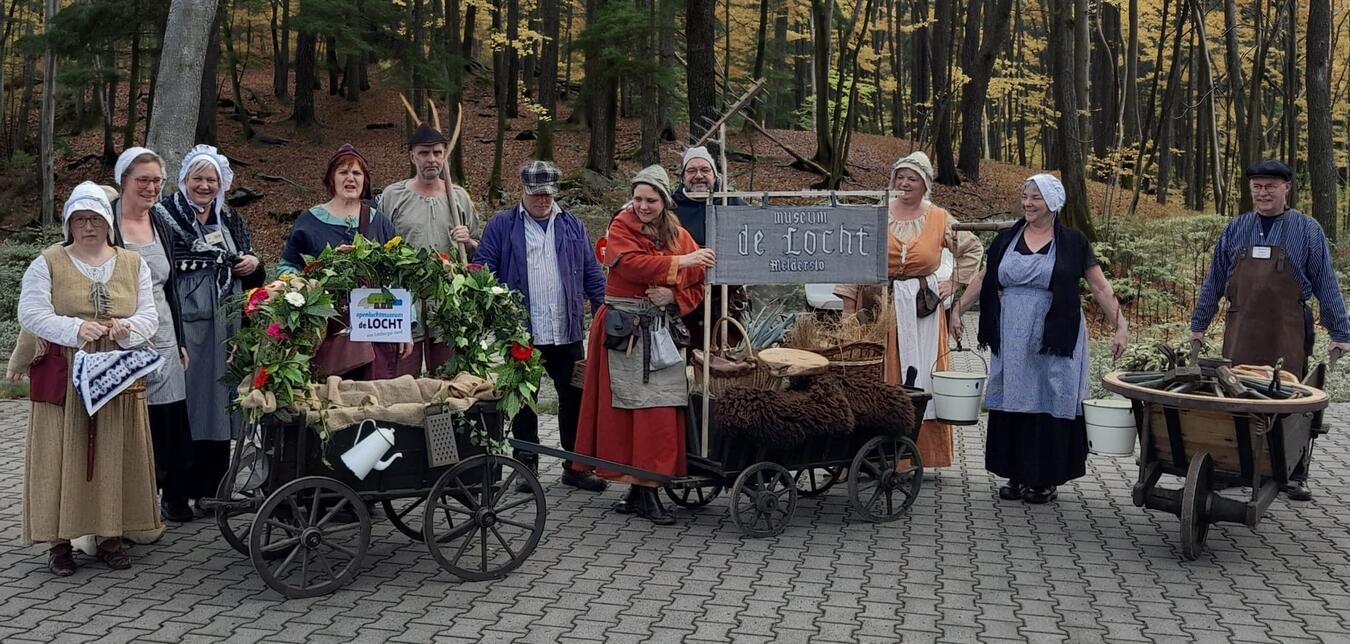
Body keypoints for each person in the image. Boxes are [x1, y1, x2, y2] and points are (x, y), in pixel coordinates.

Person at [951, 174, 1128, 504]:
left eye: (1036, 198)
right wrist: (957, 310)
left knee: (1049, 397)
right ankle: (1016, 474)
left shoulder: (1073, 242)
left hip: (1054, 332)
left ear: (1053, 203)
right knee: (1015, 398)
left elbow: (1100, 286)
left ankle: (1044, 478)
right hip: (1012, 334)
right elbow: (983, 278)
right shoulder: (1007, 239)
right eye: (1025, 196)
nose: (1028, 203)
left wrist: (1120, 324)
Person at [18, 182, 161, 574]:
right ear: (69, 224)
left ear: (107, 223)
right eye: (79, 219)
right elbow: (31, 312)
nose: (88, 227)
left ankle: (110, 536)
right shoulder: (49, 262)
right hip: (65, 370)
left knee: (113, 452)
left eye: (95, 219)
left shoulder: (132, 263)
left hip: (115, 372)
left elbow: (149, 315)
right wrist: (76, 329)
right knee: (60, 453)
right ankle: (59, 543)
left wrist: (127, 328)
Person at [1190, 159, 1350, 501]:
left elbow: (1326, 282)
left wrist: (1340, 332)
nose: (1263, 193)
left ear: (1286, 188)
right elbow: (1214, 280)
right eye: (1257, 187)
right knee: (1237, 395)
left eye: (1270, 187)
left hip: (1287, 331)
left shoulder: (1307, 230)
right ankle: (1237, 465)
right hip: (1241, 330)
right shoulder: (1236, 228)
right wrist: (1198, 325)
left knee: (1289, 400)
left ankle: (1293, 471)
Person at [573, 165, 715, 525]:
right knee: (628, 411)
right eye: (637, 198)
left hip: (660, 333)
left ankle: (644, 489)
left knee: (658, 411)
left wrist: (673, 296)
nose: (642, 206)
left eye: (650, 200)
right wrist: (681, 263)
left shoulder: (677, 233)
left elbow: (699, 278)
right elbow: (633, 265)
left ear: (664, 201)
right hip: (626, 333)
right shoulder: (622, 225)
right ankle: (642, 490)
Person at [835, 151, 976, 469]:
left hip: (921, 310)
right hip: (878, 307)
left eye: (912, 178)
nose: (905, 183)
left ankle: (915, 452)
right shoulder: (877, 214)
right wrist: (848, 309)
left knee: (919, 375)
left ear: (925, 184)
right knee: (876, 374)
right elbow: (853, 258)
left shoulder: (939, 218)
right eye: (900, 177)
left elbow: (971, 248)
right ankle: (869, 453)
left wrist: (953, 282)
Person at [474, 160, 608, 492]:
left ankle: (575, 466)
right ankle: (525, 466)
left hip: (566, 329)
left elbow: (591, 272)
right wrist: (491, 305)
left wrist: (606, 309)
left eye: (548, 193)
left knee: (574, 396)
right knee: (523, 400)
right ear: (523, 190)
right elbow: (484, 269)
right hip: (521, 332)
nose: (542, 200)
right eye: (536, 194)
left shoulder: (573, 225)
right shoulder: (502, 225)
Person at [154, 144, 260, 515]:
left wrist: (252, 263)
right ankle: (175, 493)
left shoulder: (230, 219)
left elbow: (248, 261)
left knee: (220, 404)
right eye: (197, 178)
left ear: (221, 183)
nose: (204, 185)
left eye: (211, 179)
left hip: (226, 323)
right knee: (186, 404)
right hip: (188, 323)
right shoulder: (165, 217)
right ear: (184, 180)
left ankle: (212, 490)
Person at [109, 148, 194, 523]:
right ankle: (130, 502)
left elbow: (172, 286)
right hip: (120, 334)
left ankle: (173, 495)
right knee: (131, 418)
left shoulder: (161, 222)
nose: (151, 187)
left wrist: (181, 340)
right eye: (142, 179)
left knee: (170, 418)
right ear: (123, 180)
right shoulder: (106, 222)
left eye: (157, 181)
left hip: (162, 331)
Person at [278, 143, 413, 379]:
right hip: (327, 331)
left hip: (376, 329)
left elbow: (398, 276)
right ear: (332, 179)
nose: (350, 178)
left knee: (375, 395)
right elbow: (287, 269)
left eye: (357, 173)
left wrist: (405, 326)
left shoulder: (379, 222)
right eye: (343, 172)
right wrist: (323, 267)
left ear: (365, 180)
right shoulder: (309, 222)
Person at [376, 123, 481, 374]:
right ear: (412, 156)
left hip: (447, 301)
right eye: (424, 153)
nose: (431, 159)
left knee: (449, 377)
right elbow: (377, 248)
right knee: (402, 378)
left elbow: (479, 251)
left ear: (445, 156)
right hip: (403, 300)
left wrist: (468, 241)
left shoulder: (458, 197)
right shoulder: (393, 196)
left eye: (437, 152)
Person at [671, 146, 747, 345]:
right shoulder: (670, 208)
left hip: (725, 301)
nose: (698, 176)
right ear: (682, 177)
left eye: (705, 170)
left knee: (725, 357)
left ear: (715, 174)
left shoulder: (733, 204)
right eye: (691, 170)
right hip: (682, 301)